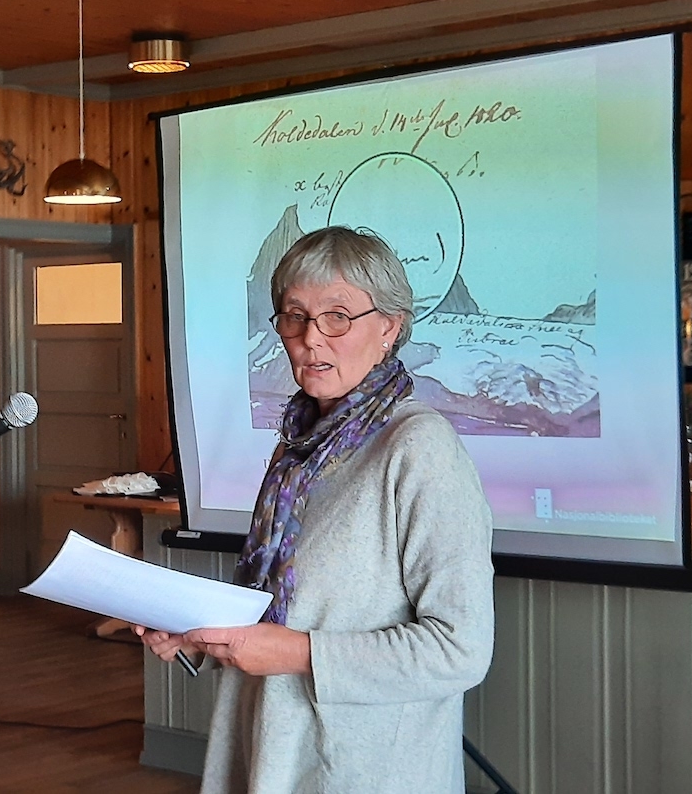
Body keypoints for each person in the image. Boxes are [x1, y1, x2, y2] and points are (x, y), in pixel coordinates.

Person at [138, 226, 494, 793]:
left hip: (365, 768)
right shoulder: (299, 445)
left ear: (390, 327)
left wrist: (301, 653)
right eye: (295, 316)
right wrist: (196, 633)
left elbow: (460, 650)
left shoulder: (420, 448)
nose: (310, 338)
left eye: (337, 316)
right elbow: (284, 608)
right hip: (266, 744)